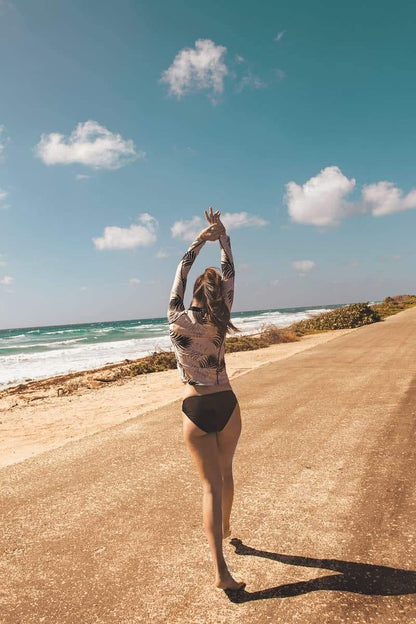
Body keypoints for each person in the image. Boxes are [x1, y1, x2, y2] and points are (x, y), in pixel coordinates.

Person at [167, 207, 246, 592]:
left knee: (210, 487)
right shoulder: (222, 316)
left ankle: (221, 573)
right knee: (226, 473)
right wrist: (223, 237)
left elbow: (179, 274)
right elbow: (230, 273)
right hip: (226, 403)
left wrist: (200, 239)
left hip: (195, 406)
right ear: (217, 296)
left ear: (193, 294)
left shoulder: (176, 318)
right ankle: (228, 526)